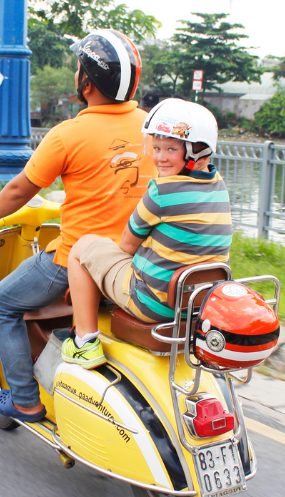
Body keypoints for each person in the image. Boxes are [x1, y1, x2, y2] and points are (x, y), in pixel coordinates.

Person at [0, 29, 156, 422]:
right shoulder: (153, 129)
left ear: (86, 82)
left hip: (76, 262)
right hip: (137, 263)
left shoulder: (68, 135)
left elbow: (19, 190)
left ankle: (25, 400)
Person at [62, 99, 233, 367]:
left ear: (198, 151)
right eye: (155, 147)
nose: (160, 157)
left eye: (171, 149)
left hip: (152, 303)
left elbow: (127, 245)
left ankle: (84, 342)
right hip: (197, 304)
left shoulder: (162, 192)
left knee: (83, 247)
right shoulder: (218, 184)